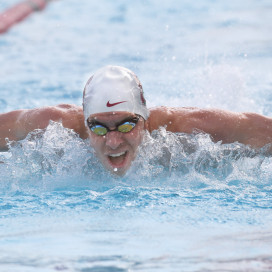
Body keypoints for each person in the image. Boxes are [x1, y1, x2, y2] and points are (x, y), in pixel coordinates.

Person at [0, 65, 272, 175]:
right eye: (98, 127)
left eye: (127, 125)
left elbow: (257, 130)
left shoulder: (183, 129)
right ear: (84, 123)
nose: (113, 141)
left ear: (145, 119)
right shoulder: (55, 125)